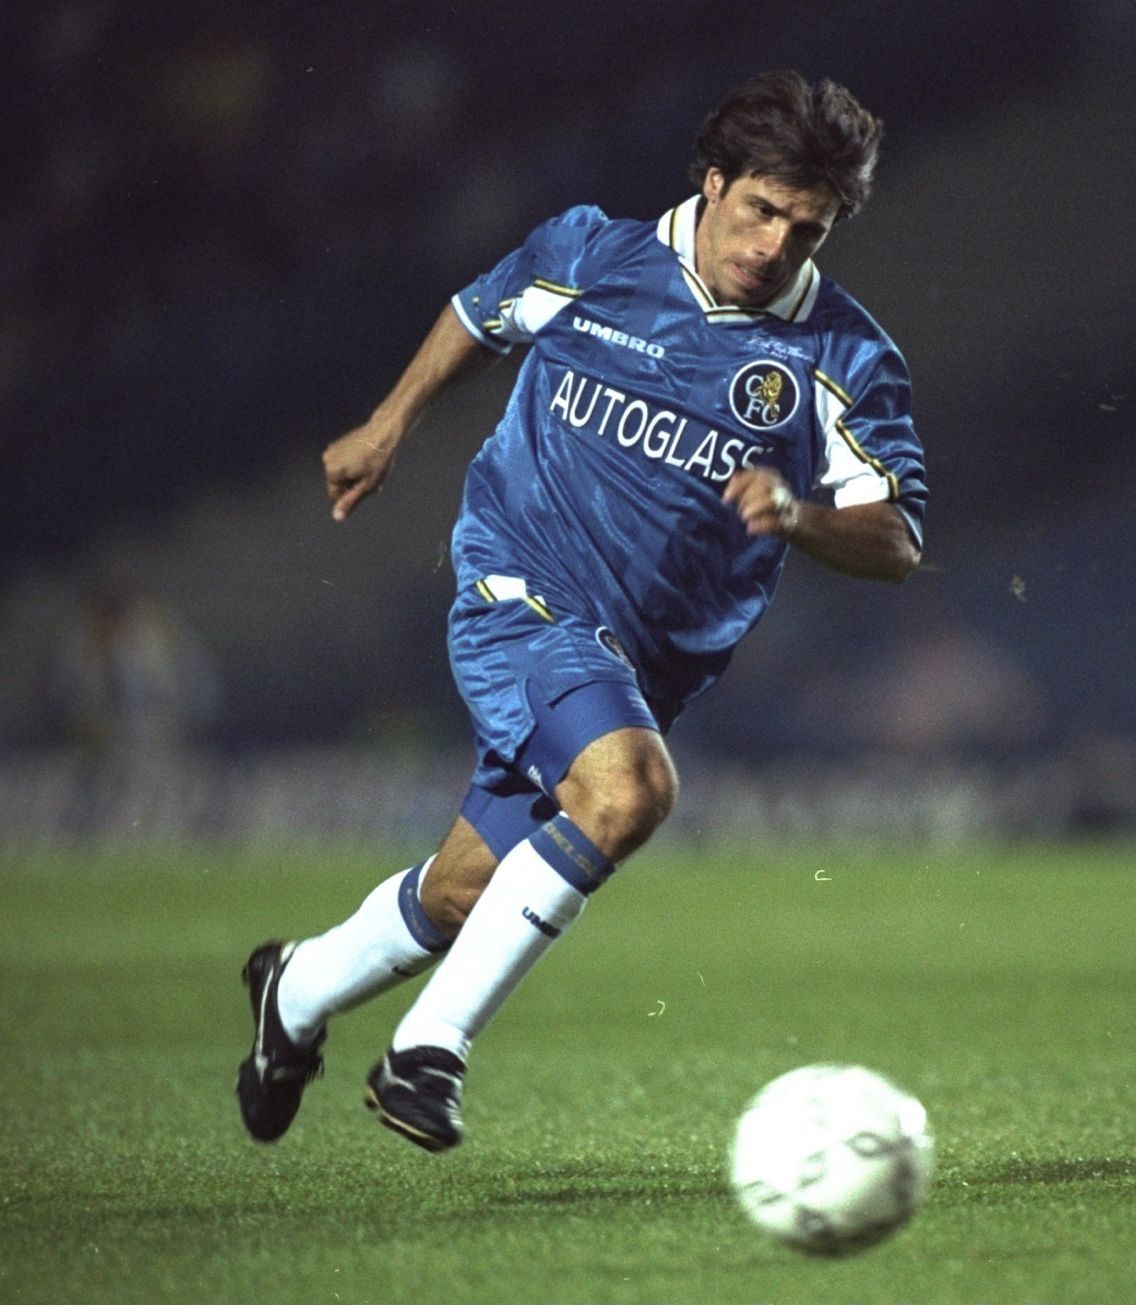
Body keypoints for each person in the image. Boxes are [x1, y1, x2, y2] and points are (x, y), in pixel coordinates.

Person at [236, 71, 925, 1153]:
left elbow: (896, 541)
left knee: (467, 896)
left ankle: (294, 988)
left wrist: (796, 515)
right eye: (761, 210)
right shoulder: (594, 256)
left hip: (642, 663)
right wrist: (387, 425)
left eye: (808, 228)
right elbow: (477, 313)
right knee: (630, 790)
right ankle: (429, 1055)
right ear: (714, 183)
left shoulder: (842, 360)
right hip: (520, 587)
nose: (775, 246)